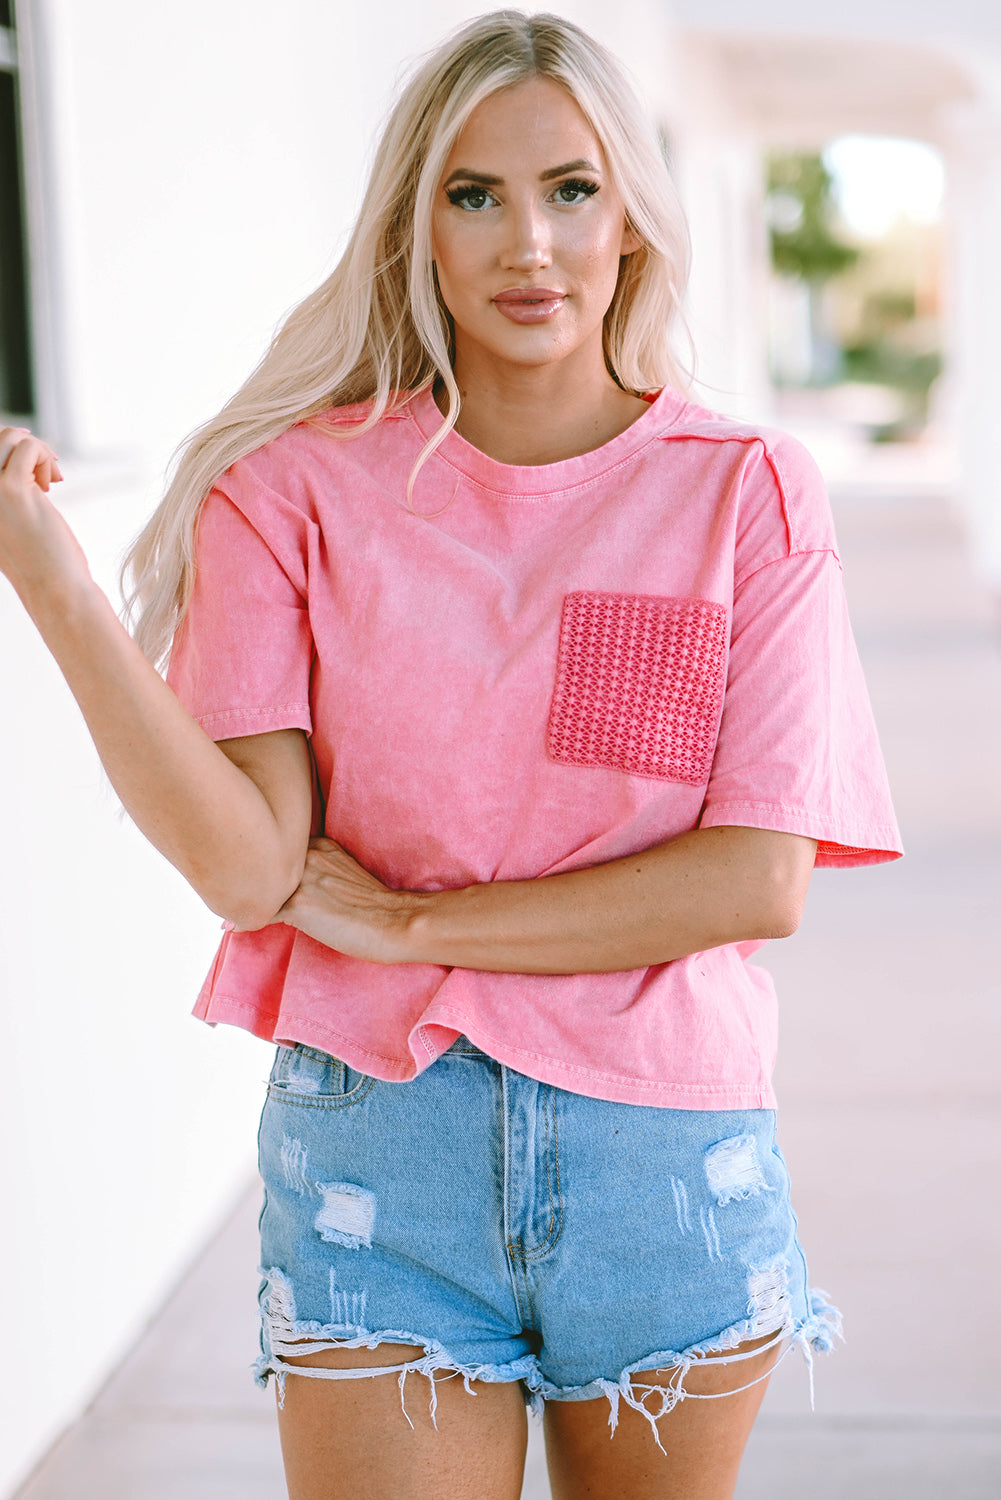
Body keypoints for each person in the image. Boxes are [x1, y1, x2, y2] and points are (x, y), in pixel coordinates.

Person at [0, 10, 902, 1498]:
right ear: (414, 227)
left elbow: (752, 878)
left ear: (632, 217)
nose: (526, 243)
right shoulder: (290, 492)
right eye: (472, 195)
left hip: (661, 1152)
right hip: (378, 1162)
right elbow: (247, 865)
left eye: (569, 188)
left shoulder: (741, 493)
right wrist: (57, 593)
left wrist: (416, 924)